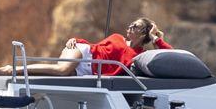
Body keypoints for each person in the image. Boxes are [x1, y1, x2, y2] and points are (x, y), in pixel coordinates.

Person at [9, 17, 171, 77]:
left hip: (88, 71)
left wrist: (156, 39)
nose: (130, 27)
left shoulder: (138, 56)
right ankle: (13, 70)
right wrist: (75, 39)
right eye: (131, 24)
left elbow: (170, 58)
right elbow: (94, 47)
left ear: (143, 34)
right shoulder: (117, 37)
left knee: (58, 73)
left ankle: (15, 72)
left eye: (135, 26)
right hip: (83, 52)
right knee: (61, 70)